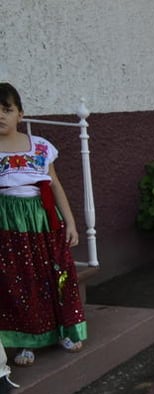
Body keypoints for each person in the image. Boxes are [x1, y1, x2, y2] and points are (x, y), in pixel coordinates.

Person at [0, 82, 86, 368]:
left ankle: (64, 330)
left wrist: (70, 223)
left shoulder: (40, 147)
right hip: (9, 225)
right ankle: (27, 339)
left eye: (7, 110)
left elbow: (56, 186)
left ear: (20, 114)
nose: (1, 115)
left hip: (44, 222)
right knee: (19, 281)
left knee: (56, 276)